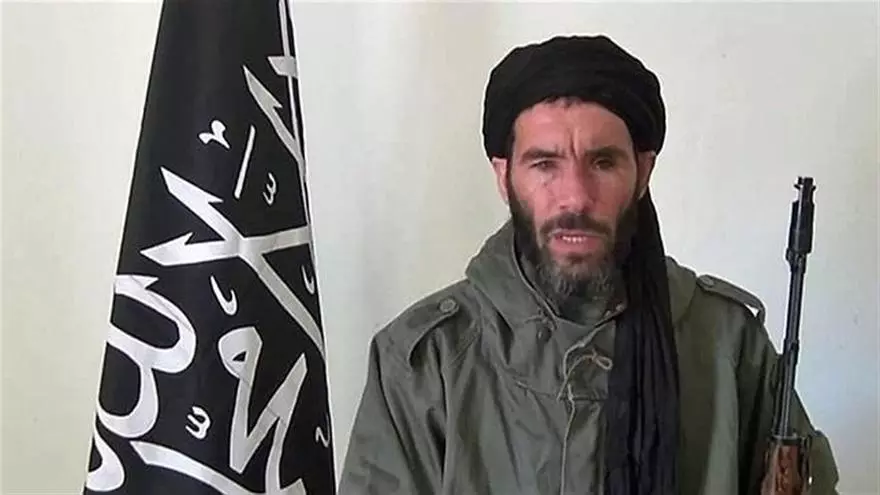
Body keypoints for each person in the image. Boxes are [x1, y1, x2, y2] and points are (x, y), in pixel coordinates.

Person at [337, 34, 839, 495]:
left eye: (603, 162)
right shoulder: (425, 363)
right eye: (545, 164)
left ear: (642, 172)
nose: (575, 196)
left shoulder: (728, 345)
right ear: (504, 176)